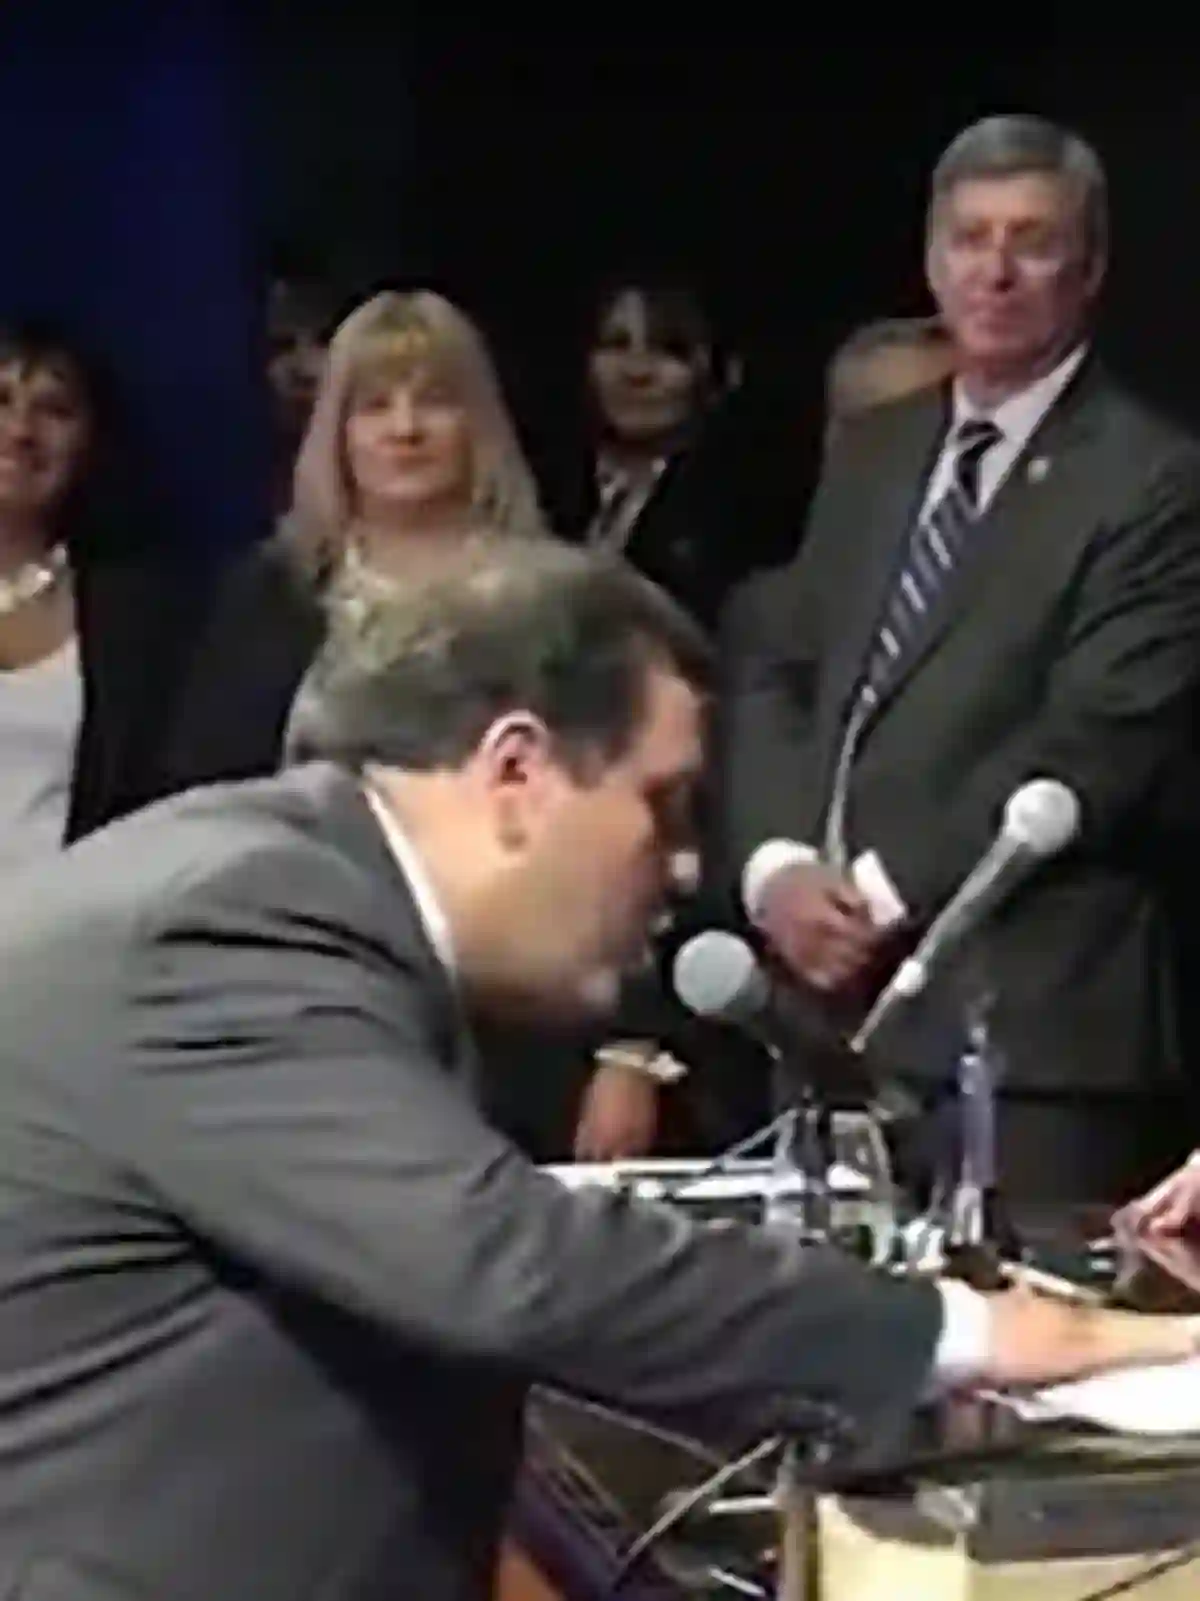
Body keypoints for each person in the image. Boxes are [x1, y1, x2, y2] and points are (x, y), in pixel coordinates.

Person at [0, 539, 1195, 1601]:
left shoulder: (304, 888)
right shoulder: (235, 919)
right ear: (517, 772)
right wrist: (1013, 1333)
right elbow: (508, 1261)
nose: (683, 868)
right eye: (661, 805)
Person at [719, 114, 1200, 1205]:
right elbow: (782, 668)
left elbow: (1098, 738)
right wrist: (779, 867)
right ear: (932, 260)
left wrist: (873, 893)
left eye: (1032, 241)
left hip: (1030, 1037)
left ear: (1090, 268)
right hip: (827, 1020)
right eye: (970, 238)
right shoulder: (877, 448)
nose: (996, 270)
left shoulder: (1153, 479)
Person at [0, 318, 210, 875]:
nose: (20, 430)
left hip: (65, 915)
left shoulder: (143, 618)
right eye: (0, 401)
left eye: (54, 410)